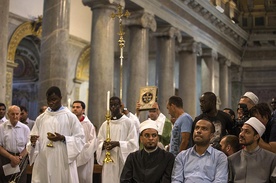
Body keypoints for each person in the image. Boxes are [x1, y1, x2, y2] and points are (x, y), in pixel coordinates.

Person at [26, 86, 85, 183]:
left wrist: (63, 138)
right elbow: (32, 140)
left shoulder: (70, 117)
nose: (51, 103)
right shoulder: (41, 118)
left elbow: (80, 139)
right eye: (49, 100)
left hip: (62, 160)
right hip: (44, 160)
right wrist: (33, 142)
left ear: (60, 98)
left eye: (54, 99)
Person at [96, 96, 139, 183]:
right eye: (111, 105)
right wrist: (103, 145)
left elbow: (133, 144)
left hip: (122, 161)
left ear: (120, 106)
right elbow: (98, 142)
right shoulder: (105, 124)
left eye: (115, 105)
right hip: (108, 163)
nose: (113, 107)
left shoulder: (128, 123)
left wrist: (118, 144)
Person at [171, 118, 228, 182]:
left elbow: (220, 181)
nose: (198, 131)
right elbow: (176, 180)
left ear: (211, 136)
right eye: (197, 128)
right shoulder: (182, 156)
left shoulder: (220, 157)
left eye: (204, 129)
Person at [228, 117, 276, 182]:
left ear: (256, 137)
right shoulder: (232, 159)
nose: (241, 134)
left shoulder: (271, 158)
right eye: (241, 130)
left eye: (247, 132)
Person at [0, 105, 30, 183]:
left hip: (21, 159)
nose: (15, 116)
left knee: (21, 181)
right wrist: (11, 157)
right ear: (8, 114)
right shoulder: (2, 127)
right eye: (12, 114)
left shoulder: (25, 128)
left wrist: (19, 158)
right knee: (6, 181)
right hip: (6, 158)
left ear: (20, 114)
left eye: (17, 114)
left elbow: (28, 145)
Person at [72, 100, 97, 183]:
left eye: (78, 107)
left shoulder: (88, 125)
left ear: (83, 110)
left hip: (85, 159)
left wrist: (80, 151)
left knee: (83, 178)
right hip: (72, 158)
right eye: (73, 107)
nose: (75, 109)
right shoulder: (70, 123)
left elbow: (92, 143)